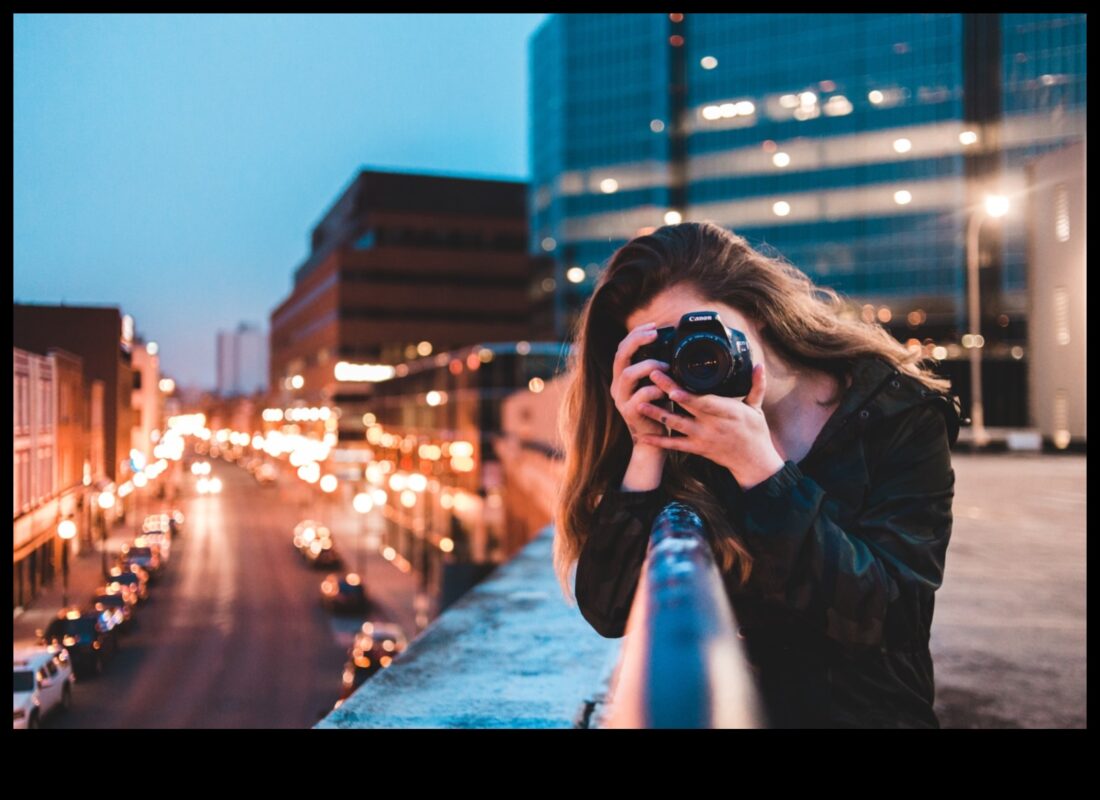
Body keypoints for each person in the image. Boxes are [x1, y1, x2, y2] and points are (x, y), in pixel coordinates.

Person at [553, 221, 961, 729]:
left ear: (761, 312)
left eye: (703, 332)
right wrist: (646, 447)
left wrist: (760, 470)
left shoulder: (897, 414)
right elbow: (610, 610)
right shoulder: (678, 432)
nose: (692, 357)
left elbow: (892, 614)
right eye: (665, 346)